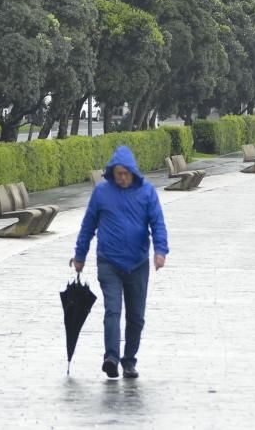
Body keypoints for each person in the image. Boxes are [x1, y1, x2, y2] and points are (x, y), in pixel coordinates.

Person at [73, 146, 169, 380]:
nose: (123, 178)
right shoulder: (102, 192)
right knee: (113, 310)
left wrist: (160, 251)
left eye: (126, 174)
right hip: (109, 262)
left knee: (136, 316)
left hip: (137, 263)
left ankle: (129, 360)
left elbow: (157, 222)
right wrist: (80, 255)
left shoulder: (147, 192)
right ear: (112, 173)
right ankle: (112, 358)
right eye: (118, 174)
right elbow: (88, 225)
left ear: (133, 172)